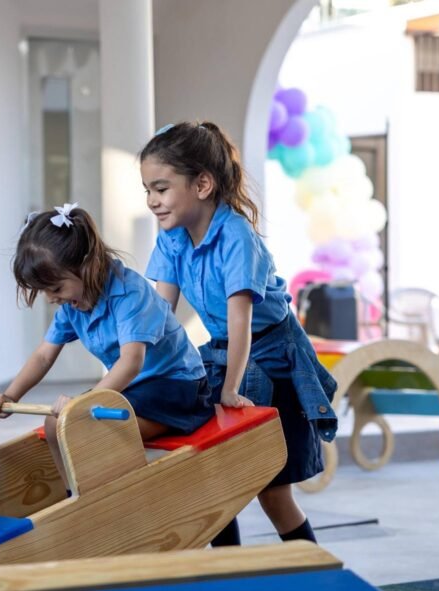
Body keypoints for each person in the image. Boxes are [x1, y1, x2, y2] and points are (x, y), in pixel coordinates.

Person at [139, 121, 338, 546]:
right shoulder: (172, 239)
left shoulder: (236, 237)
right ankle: (230, 573)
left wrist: (229, 388)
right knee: (212, 476)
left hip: (271, 357)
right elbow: (161, 319)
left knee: (272, 491)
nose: (153, 202)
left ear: (203, 185)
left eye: (161, 188)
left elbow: (240, 321)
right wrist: (139, 373)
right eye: (148, 191)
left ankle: (313, 573)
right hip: (224, 352)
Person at [0, 203, 213, 488]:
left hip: (177, 387)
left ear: (86, 266)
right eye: (44, 291)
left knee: (83, 425)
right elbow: (44, 355)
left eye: (55, 289)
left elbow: (131, 362)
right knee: (56, 425)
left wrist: (85, 402)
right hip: (136, 388)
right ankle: (75, 499)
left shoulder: (129, 292)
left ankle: (109, 495)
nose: (50, 298)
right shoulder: (73, 303)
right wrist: (11, 395)